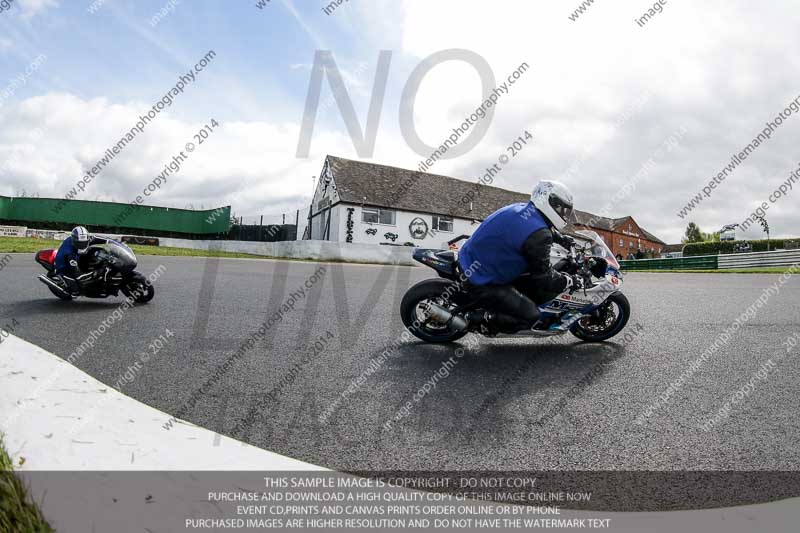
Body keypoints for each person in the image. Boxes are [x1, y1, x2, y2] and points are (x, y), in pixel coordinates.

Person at [457, 180, 579, 333]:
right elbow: (544, 277)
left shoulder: (524, 210)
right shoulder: (540, 235)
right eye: (561, 208)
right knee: (531, 316)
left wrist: (563, 239)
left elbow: (536, 229)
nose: (563, 213)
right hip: (482, 280)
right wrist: (568, 280)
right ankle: (477, 320)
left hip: (469, 258)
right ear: (550, 203)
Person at [54, 226, 106, 296]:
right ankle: (71, 289)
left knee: (93, 252)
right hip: (65, 267)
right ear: (74, 241)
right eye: (79, 243)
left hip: (77, 256)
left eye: (84, 242)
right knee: (77, 289)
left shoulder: (82, 238)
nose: (82, 245)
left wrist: (115, 243)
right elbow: (78, 276)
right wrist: (96, 272)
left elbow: (101, 239)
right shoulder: (69, 254)